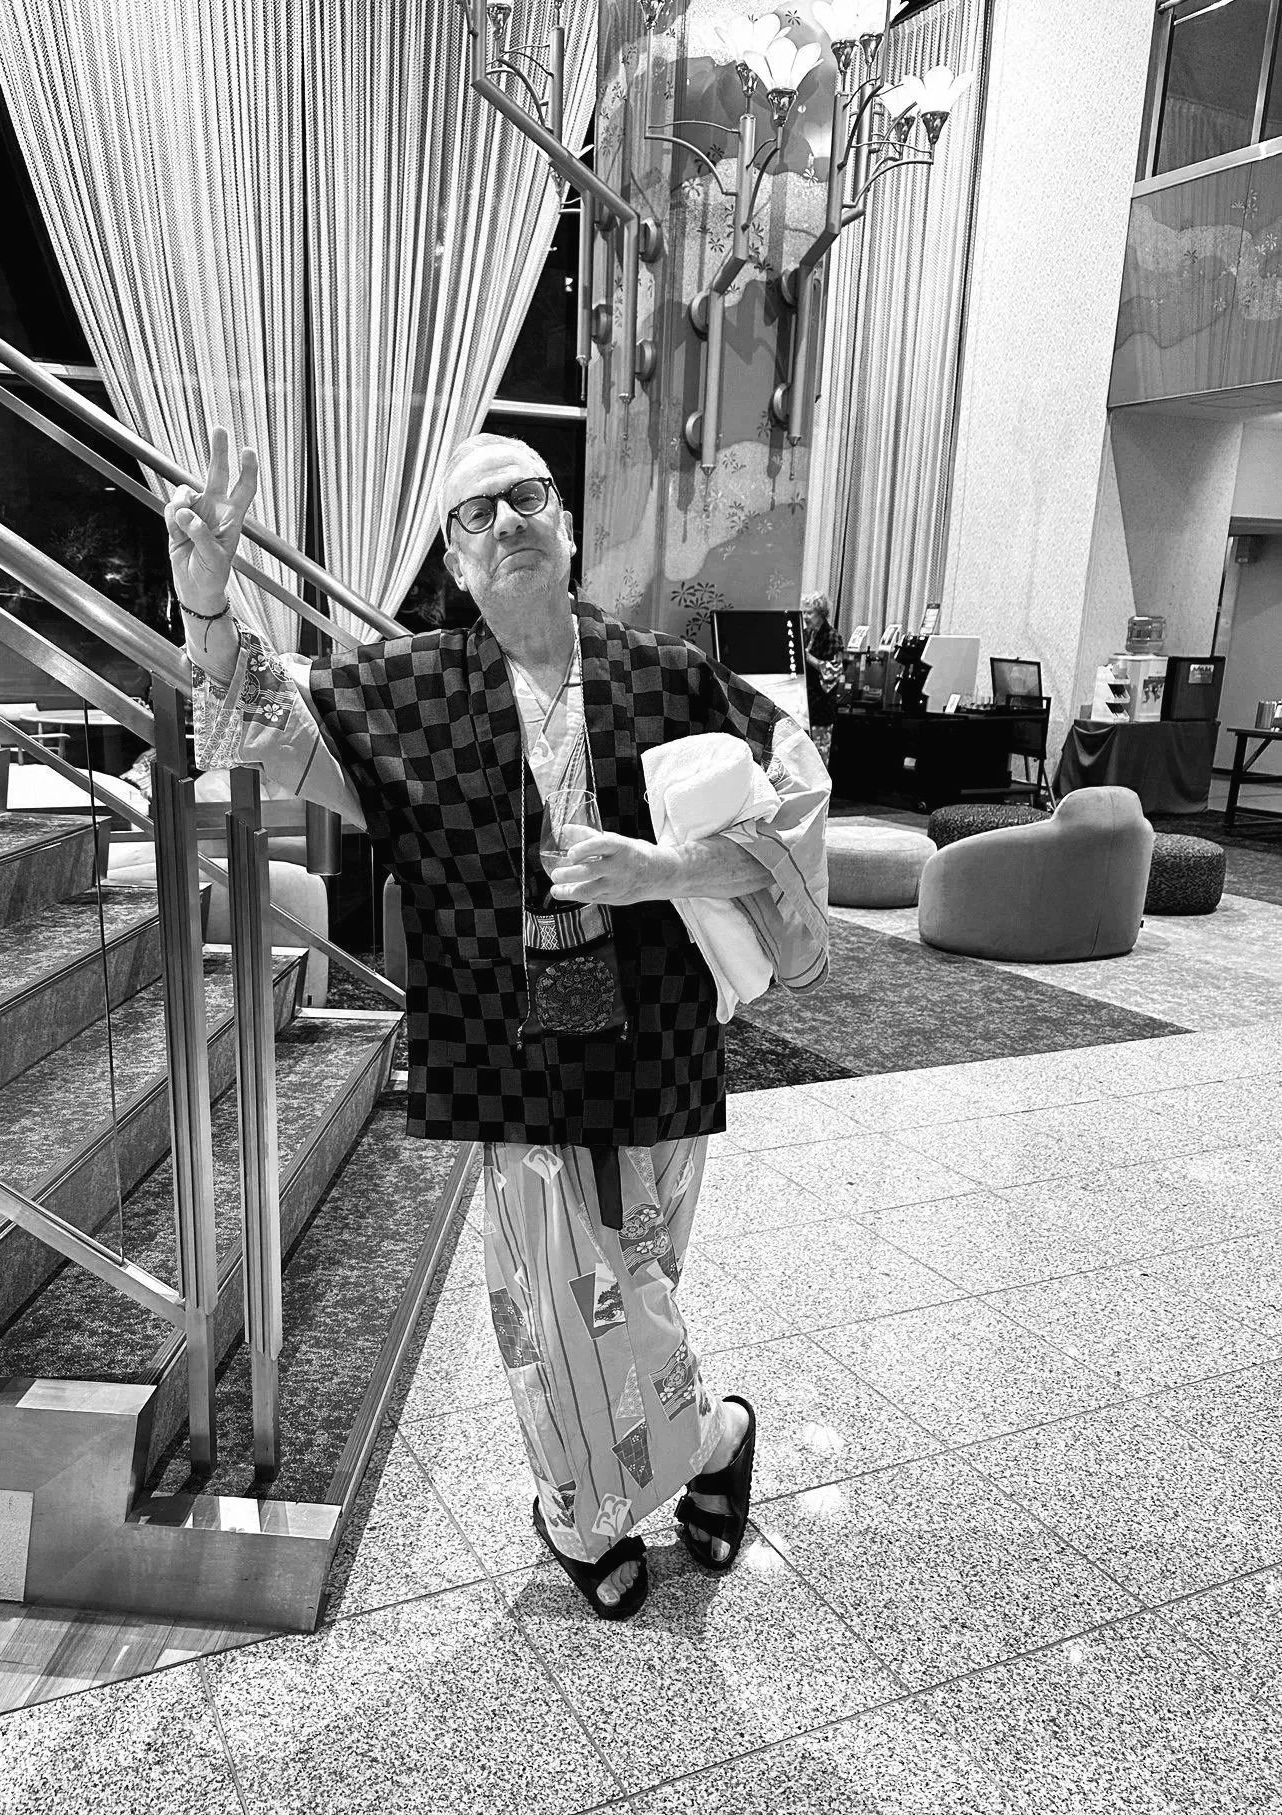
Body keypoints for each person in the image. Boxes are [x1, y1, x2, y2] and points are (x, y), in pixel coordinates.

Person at [167, 428, 830, 1619]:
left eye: (526, 496)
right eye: (476, 513)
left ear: (565, 525)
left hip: (660, 1036)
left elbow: (795, 806)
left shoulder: (672, 675)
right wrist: (208, 603)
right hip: (507, 1049)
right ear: (453, 561)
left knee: (642, 1290)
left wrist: (666, 869)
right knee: (556, 1310)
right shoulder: (405, 690)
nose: (507, 521)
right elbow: (260, 712)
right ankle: (636, 1485)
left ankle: (676, 1458)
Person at [802, 591, 845, 766]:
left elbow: (834, 671)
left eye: (809, 613)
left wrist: (808, 658)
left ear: (821, 613)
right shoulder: (805, 634)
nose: (805, 617)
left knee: (818, 761)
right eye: (804, 612)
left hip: (821, 708)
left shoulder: (832, 637)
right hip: (803, 707)